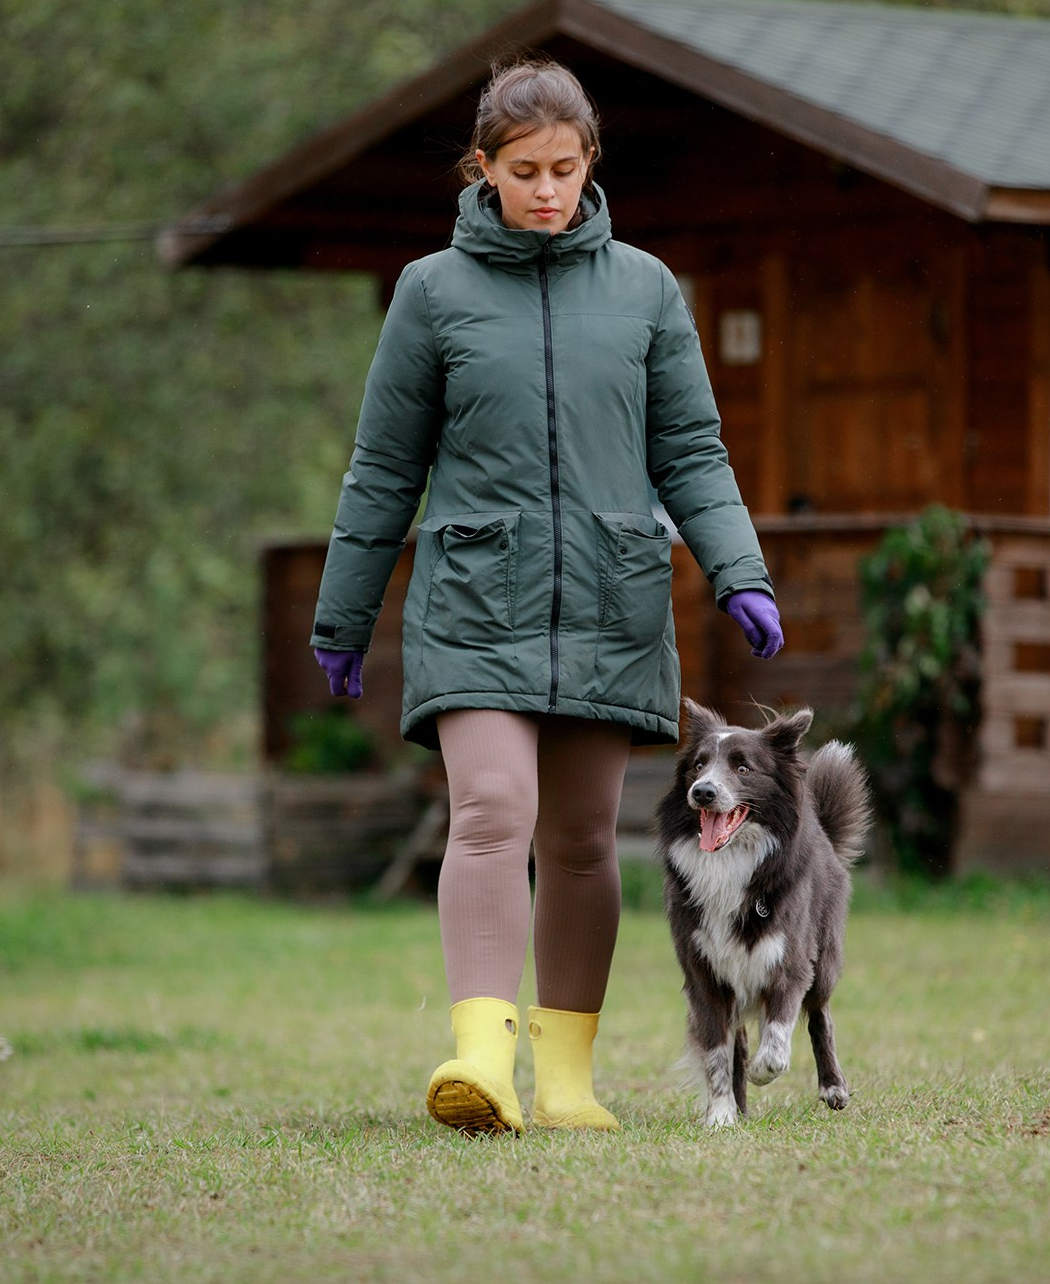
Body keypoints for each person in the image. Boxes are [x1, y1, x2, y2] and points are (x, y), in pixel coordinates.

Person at [309, 57, 783, 1137]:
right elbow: (383, 466)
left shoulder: (647, 290)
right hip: (475, 599)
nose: (545, 190)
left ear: (589, 164)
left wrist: (738, 569)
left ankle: (565, 1079)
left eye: (564, 169)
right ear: (481, 168)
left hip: (611, 604)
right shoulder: (431, 293)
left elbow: (693, 453)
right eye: (522, 170)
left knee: (578, 839)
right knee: (490, 811)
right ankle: (481, 1056)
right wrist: (341, 613)